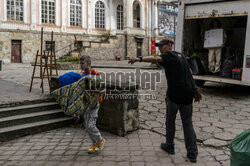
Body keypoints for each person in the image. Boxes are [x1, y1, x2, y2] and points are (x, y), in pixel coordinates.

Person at [128, 39, 202, 163]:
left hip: (175, 95)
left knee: (170, 120)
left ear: (169, 46)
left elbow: (156, 59)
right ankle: (192, 153)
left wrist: (138, 59)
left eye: (162, 46)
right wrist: (194, 89)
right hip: (188, 94)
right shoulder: (181, 56)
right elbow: (189, 72)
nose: (160, 48)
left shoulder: (168, 55)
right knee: (187, 123)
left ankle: (169, 145)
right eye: (159, 46)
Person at [51, 55, 105, 154]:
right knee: (87, 125)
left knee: (90, 125)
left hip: (94, 103)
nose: (80, 65)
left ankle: (100, 140)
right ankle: (95, 143)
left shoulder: (94, 73)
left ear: (88, 63)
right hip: (86, 104)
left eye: (82, 63)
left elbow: (97, 88)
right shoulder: (82, 74)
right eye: (80, 63)